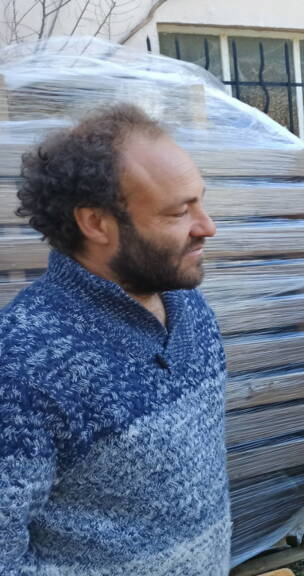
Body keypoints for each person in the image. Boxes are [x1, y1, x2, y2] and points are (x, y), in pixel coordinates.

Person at [0, 104, 230, 574]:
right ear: (96, 223)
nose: (207, 226)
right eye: (178, 212)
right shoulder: (22, 365)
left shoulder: (187, 306)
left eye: (200, 202)